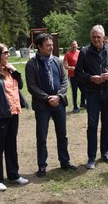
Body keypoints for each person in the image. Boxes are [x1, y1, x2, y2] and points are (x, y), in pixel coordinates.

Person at [25, 33, 77, 177]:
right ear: (39, 46)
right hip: (42, 107)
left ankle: (65, 162)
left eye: (52, 45)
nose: (51, 47)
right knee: (42, 137)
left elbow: (64, 81)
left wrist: (59, 96)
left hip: (59, 104)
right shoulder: (32, 64)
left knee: (62, 135)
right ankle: (42, 166)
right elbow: (31, 86)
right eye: (48, 45)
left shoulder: (57, 61)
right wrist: (47, 98)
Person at [75, 25, 108, 169]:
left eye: (98, 37)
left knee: (107, 123)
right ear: (91, 38)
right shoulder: (84, 52)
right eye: (94, 37)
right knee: (92, 125)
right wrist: (90, 78)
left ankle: (105, 152)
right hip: (92, 93)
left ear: (103, 37)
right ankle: (91, 157)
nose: (96, 39)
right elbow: (77, 73)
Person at [0, 43, 28, 191]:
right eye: (5, 53)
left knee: (11, 145)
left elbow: (20, 86)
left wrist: (16, 72)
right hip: (0, 114)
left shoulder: (10, 70)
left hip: (13, 112)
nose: (8, 55)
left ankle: (13, 175)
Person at [63, 40, 86, 113]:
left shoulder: (80, 52)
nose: (74, 46)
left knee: (84, 90)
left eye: (75, 44)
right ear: (70, 46)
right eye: (72, 44)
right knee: (74, 92)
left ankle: (82, 103)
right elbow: (65, 65)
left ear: (77, 45)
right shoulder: (68, 54)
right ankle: (75, 106)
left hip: (81, 75)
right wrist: (71, 68)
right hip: (73, 76)